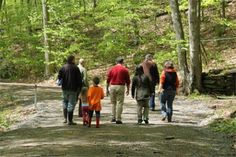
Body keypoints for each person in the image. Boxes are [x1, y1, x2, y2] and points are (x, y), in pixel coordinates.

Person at [58, 55, 82, 125]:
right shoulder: (76, 68)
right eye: (74, 59)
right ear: (72, 60)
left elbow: (59, 77)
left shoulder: (63, 67)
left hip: (64, 89)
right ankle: (70, 120)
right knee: (71, 104)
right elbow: (79, 80)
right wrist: (79, 88)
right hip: (73, 89)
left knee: (65, 103)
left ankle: (65, 119)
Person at [106, 57, 131, 124]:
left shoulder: (112, 69)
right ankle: (118, 118)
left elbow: (108, 79)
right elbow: (128, 81)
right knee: (120, 103)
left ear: (116, 62)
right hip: (121, 86)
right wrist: (128, 89)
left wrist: (107, 89)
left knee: (113, 103)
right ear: (122, 62)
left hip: (113, 86)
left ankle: (113, 117)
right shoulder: (125, 69)